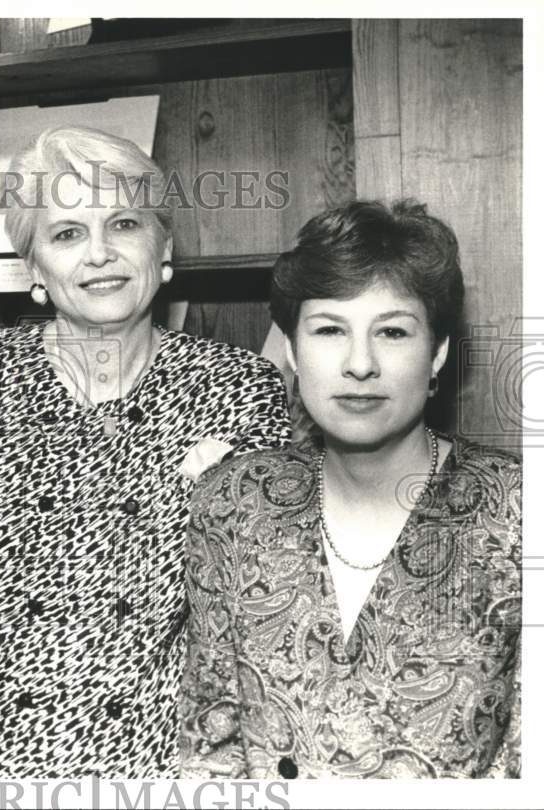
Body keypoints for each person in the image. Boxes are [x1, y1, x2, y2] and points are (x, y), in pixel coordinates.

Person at [0, 126, 291, 778]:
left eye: (124, 223)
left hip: (162, 764)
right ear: (34, 269)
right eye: (67, 233)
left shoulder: (239, 389)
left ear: (164, 249)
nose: (99, 253)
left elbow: (264, 612)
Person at [182, 200, 521, 779]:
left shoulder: (519, 509)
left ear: (436, 351)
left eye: (391, 331)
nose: (360, 363)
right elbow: (212, 742)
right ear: (291, 349)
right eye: (329, 330)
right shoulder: (232, 502)